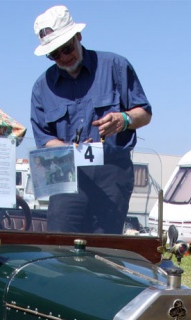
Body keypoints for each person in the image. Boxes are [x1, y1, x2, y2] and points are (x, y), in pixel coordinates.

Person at [30, 5, 152, 234]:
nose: (63, 57)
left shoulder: (116, 66)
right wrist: (69, 150)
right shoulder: (41, 87)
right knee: (60, 247)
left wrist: (124, 119)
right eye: (54, 54)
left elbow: (144, 114)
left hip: (112, 173)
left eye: (67, 49)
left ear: (78, 36)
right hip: (67, 175)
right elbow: (44, 139)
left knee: (104, 248)